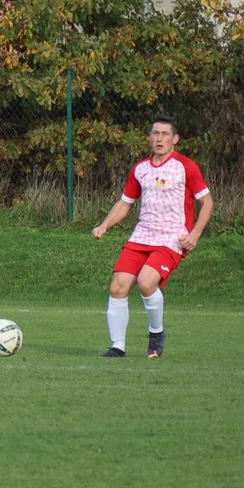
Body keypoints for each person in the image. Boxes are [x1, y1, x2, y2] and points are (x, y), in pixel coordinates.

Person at [92, 116, 214, 358]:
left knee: (147, 282)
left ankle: (156, 333)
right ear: (150, 137)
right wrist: (105, 225)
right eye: (155, 133)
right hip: (142, 235)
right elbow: (125, 203)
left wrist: (196, 233)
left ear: (175, 139)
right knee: (118, 287)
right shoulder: (140, 169)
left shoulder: (186, 167)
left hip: (171, 238)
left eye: (165, 134)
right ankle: (118, 347)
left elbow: (207, 202)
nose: (159, 138)